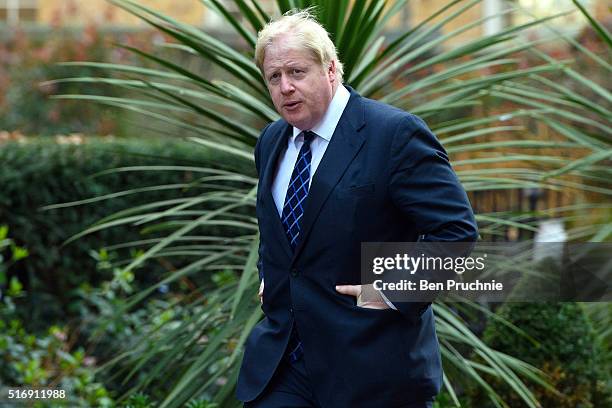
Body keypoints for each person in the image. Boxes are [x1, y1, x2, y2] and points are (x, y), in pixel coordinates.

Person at [236, 9, 478, 408]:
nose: (285, 88)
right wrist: (269, 275)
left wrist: (391, 290)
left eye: (296, 72)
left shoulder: (394, 135)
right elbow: (280, 236)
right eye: (274, 77)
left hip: (372, 371)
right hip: (283, 366)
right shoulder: (271, 141)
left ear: (331, 70)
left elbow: (456, 234)